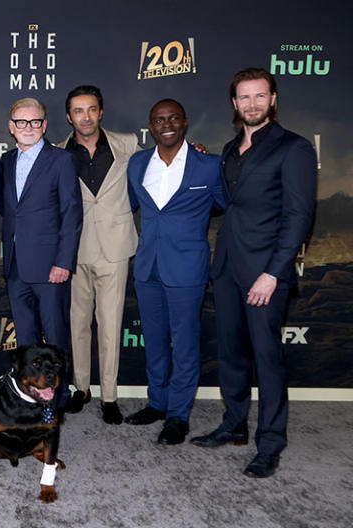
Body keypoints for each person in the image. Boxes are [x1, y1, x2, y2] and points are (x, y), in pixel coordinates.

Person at [191, 68, 316, 478]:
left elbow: (299, 217)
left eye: (259, 96)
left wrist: (273, 274)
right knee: (231, 353)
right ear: (234, 103)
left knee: (268, 359)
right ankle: (234, 426)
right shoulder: (229, 149)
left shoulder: (293, 148)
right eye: (244, 98)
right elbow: (228, 202)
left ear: (273, 99)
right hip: (227, 266)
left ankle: (271, 443)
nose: (251, 104)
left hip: (265, 271)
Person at [124, 99, 225, 445]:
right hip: (147, 265)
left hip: (187, 267)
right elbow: (133, 205)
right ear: (150, 127)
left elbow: (227, 204)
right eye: (158, 120)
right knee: (154, 340)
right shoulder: (137, 164)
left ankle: (178, 415)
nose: (166, 124)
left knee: (184, 343)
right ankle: (158, 402)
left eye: (172, 118)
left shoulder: (210, 166)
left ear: (184, 122)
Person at [57, 85, 140, 424]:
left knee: (110, 325)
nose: (86, 116)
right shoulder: (58, 153)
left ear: (100, 112)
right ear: (69, 116)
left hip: (115, 247)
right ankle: (81, 388)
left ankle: (109, 395)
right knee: (77, 325)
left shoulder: (129, 144)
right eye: (78, 111)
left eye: (91, 109)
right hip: (75, 249)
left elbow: (163, 164)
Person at [0, 97, 82, 409]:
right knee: (26, 339)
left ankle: (59, 398)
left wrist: (63, 262)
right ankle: (30, 394)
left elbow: (72, 214)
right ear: (11, 127)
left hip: (50, 267)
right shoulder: (7, 162)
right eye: (21, 122)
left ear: (44, 125)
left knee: (56, 335)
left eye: (35, 122)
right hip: (17, 265)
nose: (28, 128)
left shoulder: (60, 160)